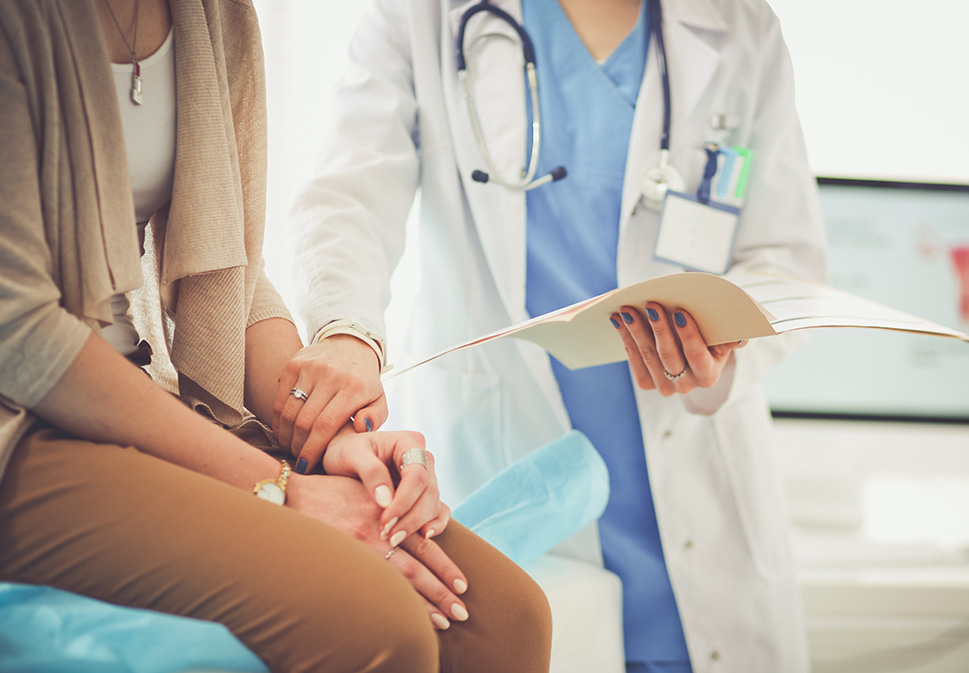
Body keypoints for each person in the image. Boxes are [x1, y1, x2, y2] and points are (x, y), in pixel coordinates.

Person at [0, 1, 553, 672]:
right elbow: (20, 330)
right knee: (375, 624)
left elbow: (228, 267)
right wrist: (280, 487)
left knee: (506, 620)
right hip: (24, 420)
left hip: (139, 390)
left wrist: (325, 431)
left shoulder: (214, 16)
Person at [287, 0, 827, 671]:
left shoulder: (740, 27)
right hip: (508, 471)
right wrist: (347, 332)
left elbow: (787, 256)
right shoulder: (424, 14)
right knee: (538, 631)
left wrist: (727, 338)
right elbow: (348, 196)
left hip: (696, 486)